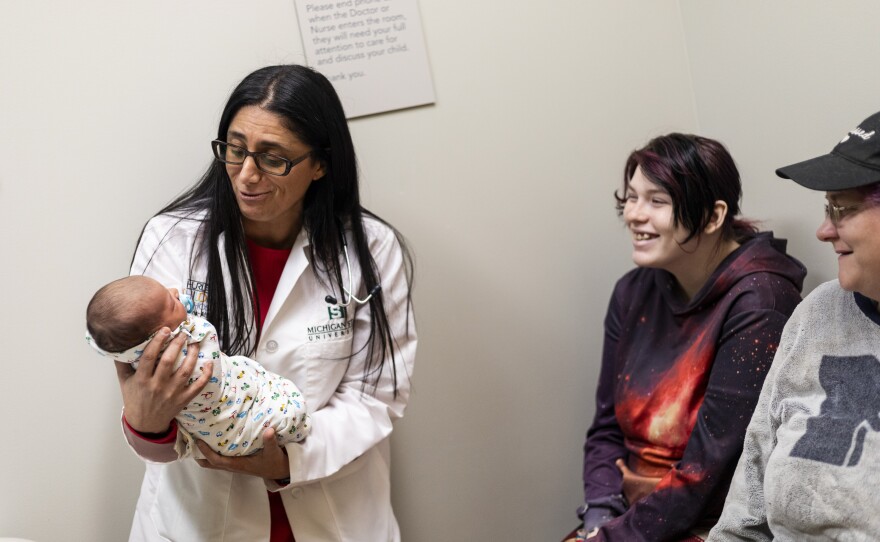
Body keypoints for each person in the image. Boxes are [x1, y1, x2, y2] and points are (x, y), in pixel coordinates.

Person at [113, 65, 416, 541]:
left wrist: (287, 460)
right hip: (199, 517)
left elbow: (374, 397)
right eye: (236, 150)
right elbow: (146, 396)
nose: (246, 175)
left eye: (274, 159)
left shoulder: (372, 250)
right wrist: (148, 423)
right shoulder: (172, 239)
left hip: (331, 511)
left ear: (320, 164)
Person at [568, 133, 806, 541]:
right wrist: (599, 518)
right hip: (628, 519)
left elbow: (710, 471)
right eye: (631, 197)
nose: (634, 215)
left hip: (711, 525)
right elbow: (606, 430)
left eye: (657, 201)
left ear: (713, 217)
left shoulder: (761, 301)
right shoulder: (632, 291)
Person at [708, 111, 880, 540]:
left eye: (842, 209)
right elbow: (745, 509)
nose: (824, 230)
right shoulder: (817, 314)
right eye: (827, 207)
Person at [86, 275, 310, 458]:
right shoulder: (189, 356)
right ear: (160, 336)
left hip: (308, 469)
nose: (175, 292)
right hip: (229, 431)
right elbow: (205, 340)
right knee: (285, 415)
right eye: (171, 303)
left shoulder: (131, 347)